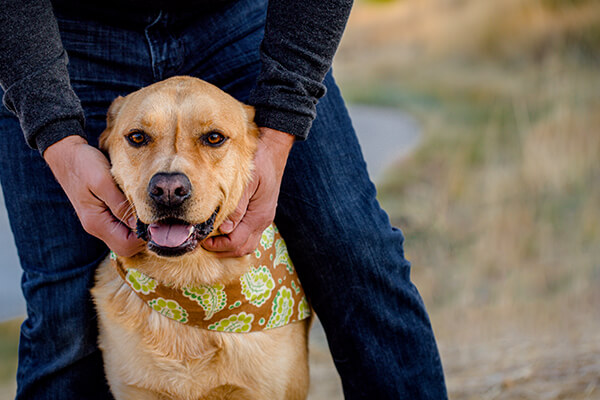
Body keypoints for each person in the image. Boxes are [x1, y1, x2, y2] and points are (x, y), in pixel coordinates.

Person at [0, 0, 447, 398]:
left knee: (354, 246)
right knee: (61, 305)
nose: (169, 184)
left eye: (212, 138)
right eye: (138, 138)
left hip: (244, 19)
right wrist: (57, 139)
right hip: (58, 33)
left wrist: (277, 133)